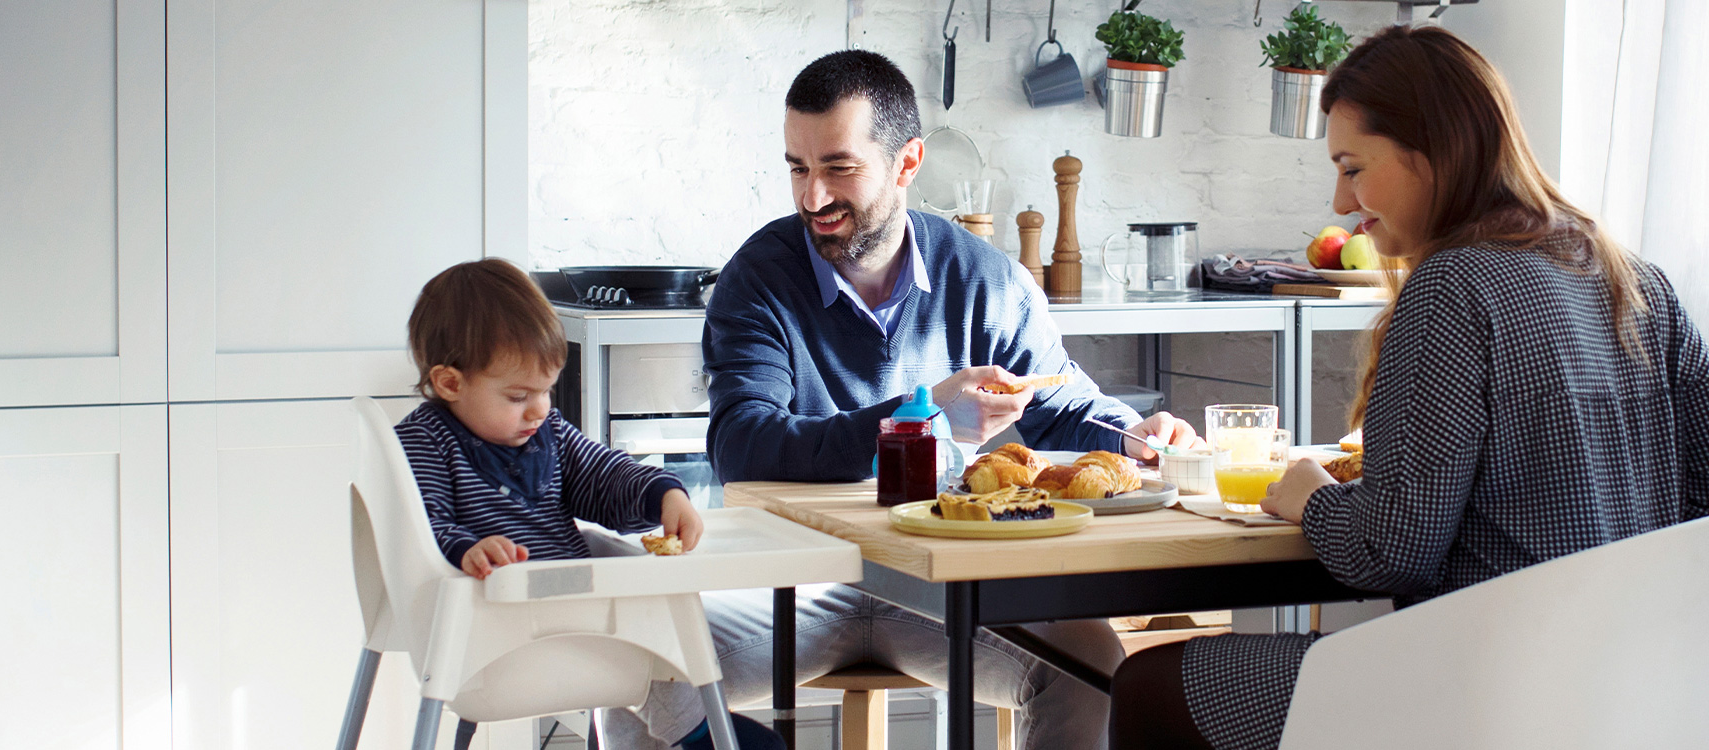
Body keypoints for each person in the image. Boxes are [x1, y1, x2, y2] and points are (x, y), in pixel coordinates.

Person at [1106, 25, 1709, 750]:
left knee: (1151, 687)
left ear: (1433, 152)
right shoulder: (1636, 279)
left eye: (1353, 168)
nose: (1339, 200)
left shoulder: (1454, 285)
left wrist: (1310, 494)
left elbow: (1392, 551)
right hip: (1628, 692)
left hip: (1480, 691)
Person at [605, 50, 1203, 749]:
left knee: (1095, 665)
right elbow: (743, 446)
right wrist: (920, 419)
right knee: (629, 653)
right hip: (791, 583)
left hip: (945, 586)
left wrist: (1135, 437)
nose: (811, 196)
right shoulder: (758, 280)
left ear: (907, 163)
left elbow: (1062, 404)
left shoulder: (986, 281)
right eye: (798, 167)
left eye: (839, 167)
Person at [395, 258, 786, 750]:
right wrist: (466, 549)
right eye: (519, 396)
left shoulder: (549, 434)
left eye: (546, 390)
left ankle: (692, 729)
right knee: (644, 626)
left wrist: (663, 493)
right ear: (450, 383)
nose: (540, 409)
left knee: (654, 610)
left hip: (575, 616)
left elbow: (604, 475)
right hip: (489, 630)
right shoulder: (423, 443)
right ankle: (697, 731)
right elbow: (419, 524)